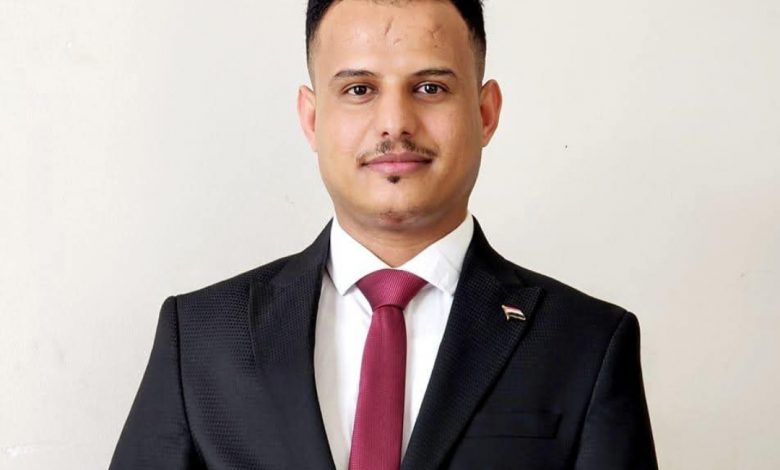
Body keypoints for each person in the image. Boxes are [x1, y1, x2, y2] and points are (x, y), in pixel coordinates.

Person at [110, 0, 658, 468]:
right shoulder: (200, 338)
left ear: (486, 112)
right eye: (359, 89)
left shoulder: (587, 344)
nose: (395, 122)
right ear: (312, 118)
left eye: (430, 87)